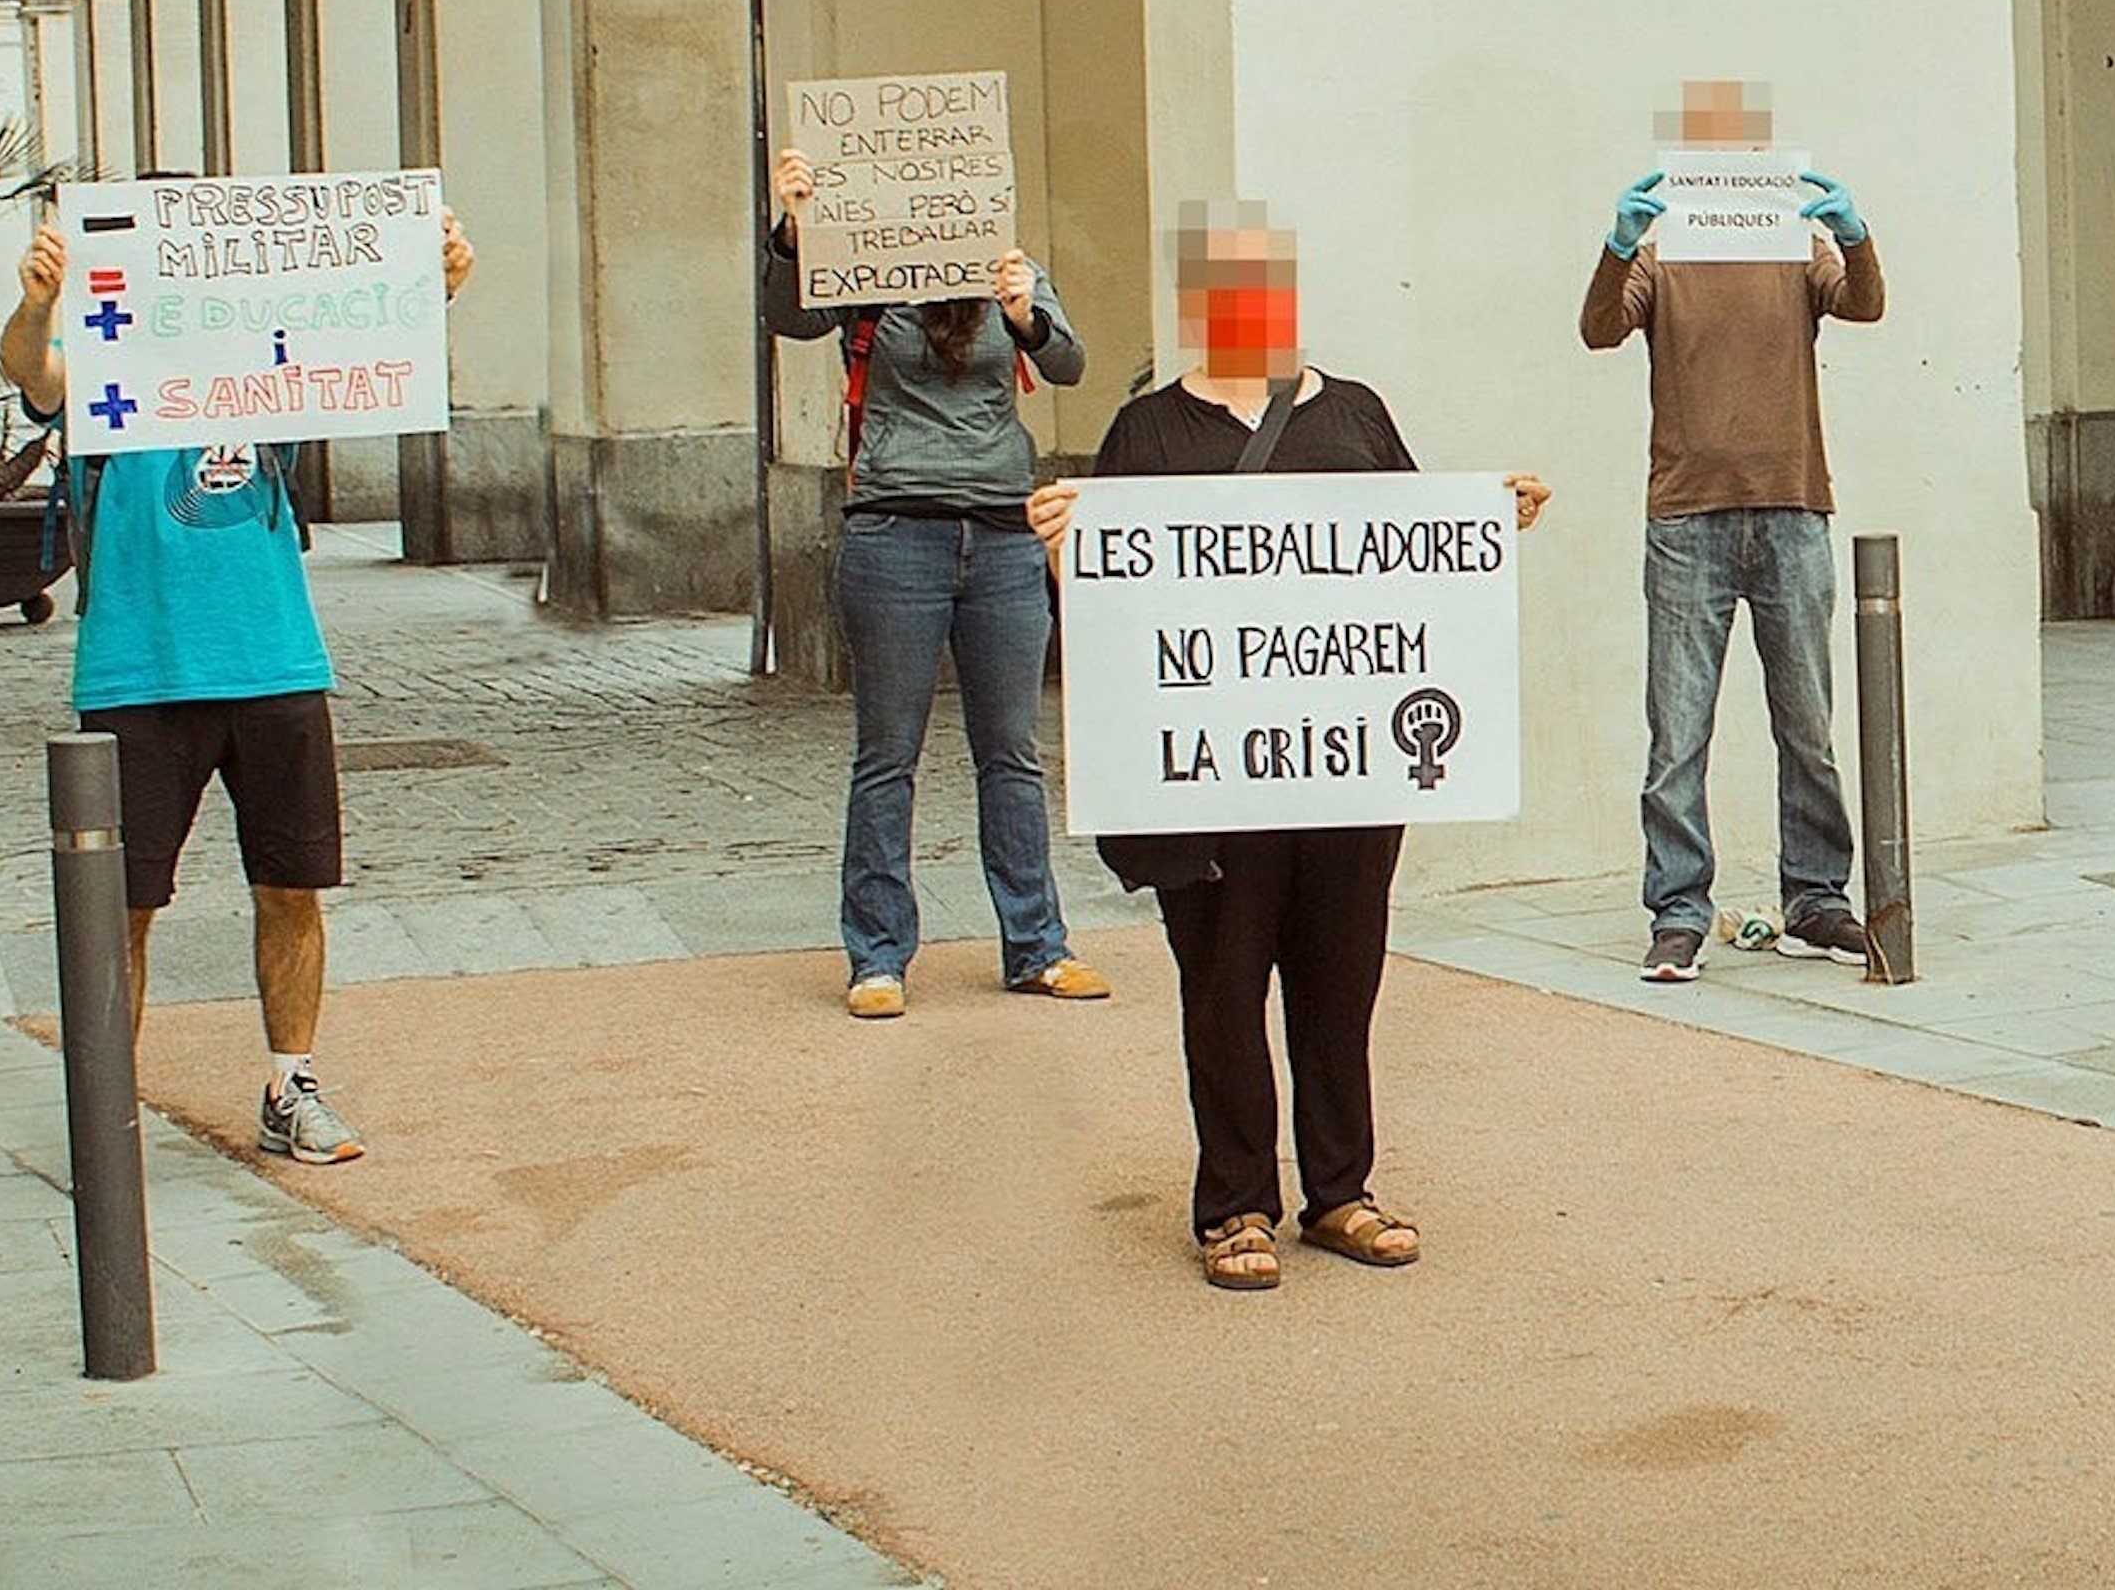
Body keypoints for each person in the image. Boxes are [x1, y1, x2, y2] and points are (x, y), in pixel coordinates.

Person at [1030, 207, 1551, 1288]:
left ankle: (1341, 1191)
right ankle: (1232, 1204)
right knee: (1221, 982)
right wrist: (1058, 553)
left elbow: (1420, 564)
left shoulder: (1354, 413)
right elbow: (1113, 612)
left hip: (1347, 764)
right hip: (1210, 776)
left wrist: (1494, 520)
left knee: (1339, 978)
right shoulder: (1147, 431)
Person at [2, 197, 479, 1164]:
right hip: (138, 672)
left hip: (273, 659)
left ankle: (290, 1084)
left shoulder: (271, 362)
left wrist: (435, 284)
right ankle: (103, 1110)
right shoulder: (106, 364)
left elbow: (368, 347)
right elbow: (33, 374)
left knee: (291, 886)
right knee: (120, 904)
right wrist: (38, 304)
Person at [766, 146, 1110, 1019]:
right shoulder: (863, 273)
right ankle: (876, 956)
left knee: (1013, 755)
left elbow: (1068, 363)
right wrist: (796, 229)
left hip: (999, 537)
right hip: (895, 534)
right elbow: (788, 319)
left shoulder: (1012, 272)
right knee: (887, 757)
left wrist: (1024, 312)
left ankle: (1037, 945)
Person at [1578, 81, 1886, 982]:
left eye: (1741, 148)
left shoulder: (1796, 243)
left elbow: (1864, 306)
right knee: (1677, 732)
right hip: (1685, 515)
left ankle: (1816, 897)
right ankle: (1677, 908)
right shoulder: (1661, 251)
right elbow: (1598, 329)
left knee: (1807, 721)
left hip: (1792, 504)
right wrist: (1616, 244)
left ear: (1759, 160)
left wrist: (1856, 233)